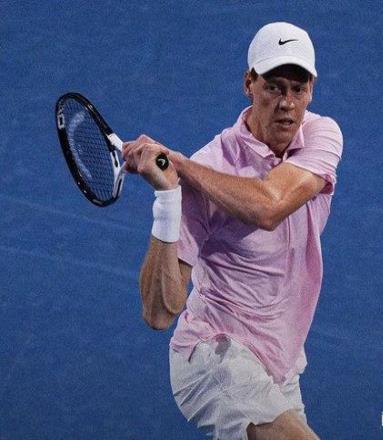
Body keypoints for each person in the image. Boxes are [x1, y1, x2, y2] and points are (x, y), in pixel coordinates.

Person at [123, 21, 343, 440]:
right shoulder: (210, 168)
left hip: (280, 363)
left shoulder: (321, 134)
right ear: (249, 84)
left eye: (298, 89)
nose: (287, 103)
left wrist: (180, 164)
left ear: (311, 91)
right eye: (273, 87)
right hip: (214, 357)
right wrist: (169, 197)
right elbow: (158, 313)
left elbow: (270, 206)